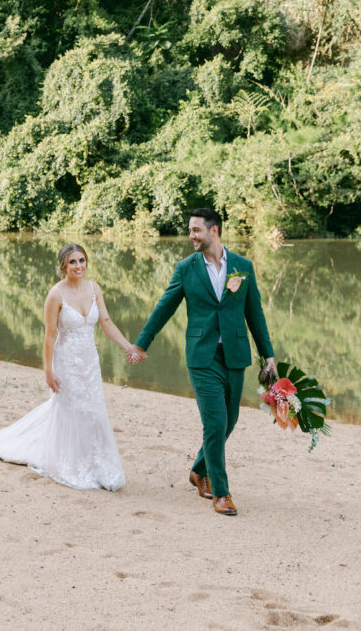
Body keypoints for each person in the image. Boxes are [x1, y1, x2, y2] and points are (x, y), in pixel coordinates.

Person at [127, 208, 277, 515]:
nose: (192, 235)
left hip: (235, 355)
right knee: (215, 422)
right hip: (202, 356)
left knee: (229, 421)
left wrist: (268, 355)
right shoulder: (185, 268)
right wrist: (142, 344)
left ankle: (198, 470)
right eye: (191, 230)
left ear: (214, 231)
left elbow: (255, 314)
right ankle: (222, 492)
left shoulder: (243, 267)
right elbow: (164, 307)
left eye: (197, 230)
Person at [0, 243, 135, 491]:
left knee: (93, 410)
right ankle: (71, 463)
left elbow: (107, 322)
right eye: (72, 262)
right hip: (66, 360)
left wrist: (128, 347)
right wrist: (48, 370)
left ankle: (97, 463)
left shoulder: (95, 289)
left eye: (82, 260)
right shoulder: (55, 295)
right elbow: (49, 336)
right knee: (71, 409)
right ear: (63, 266)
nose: (78, 266)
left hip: (90, 361)